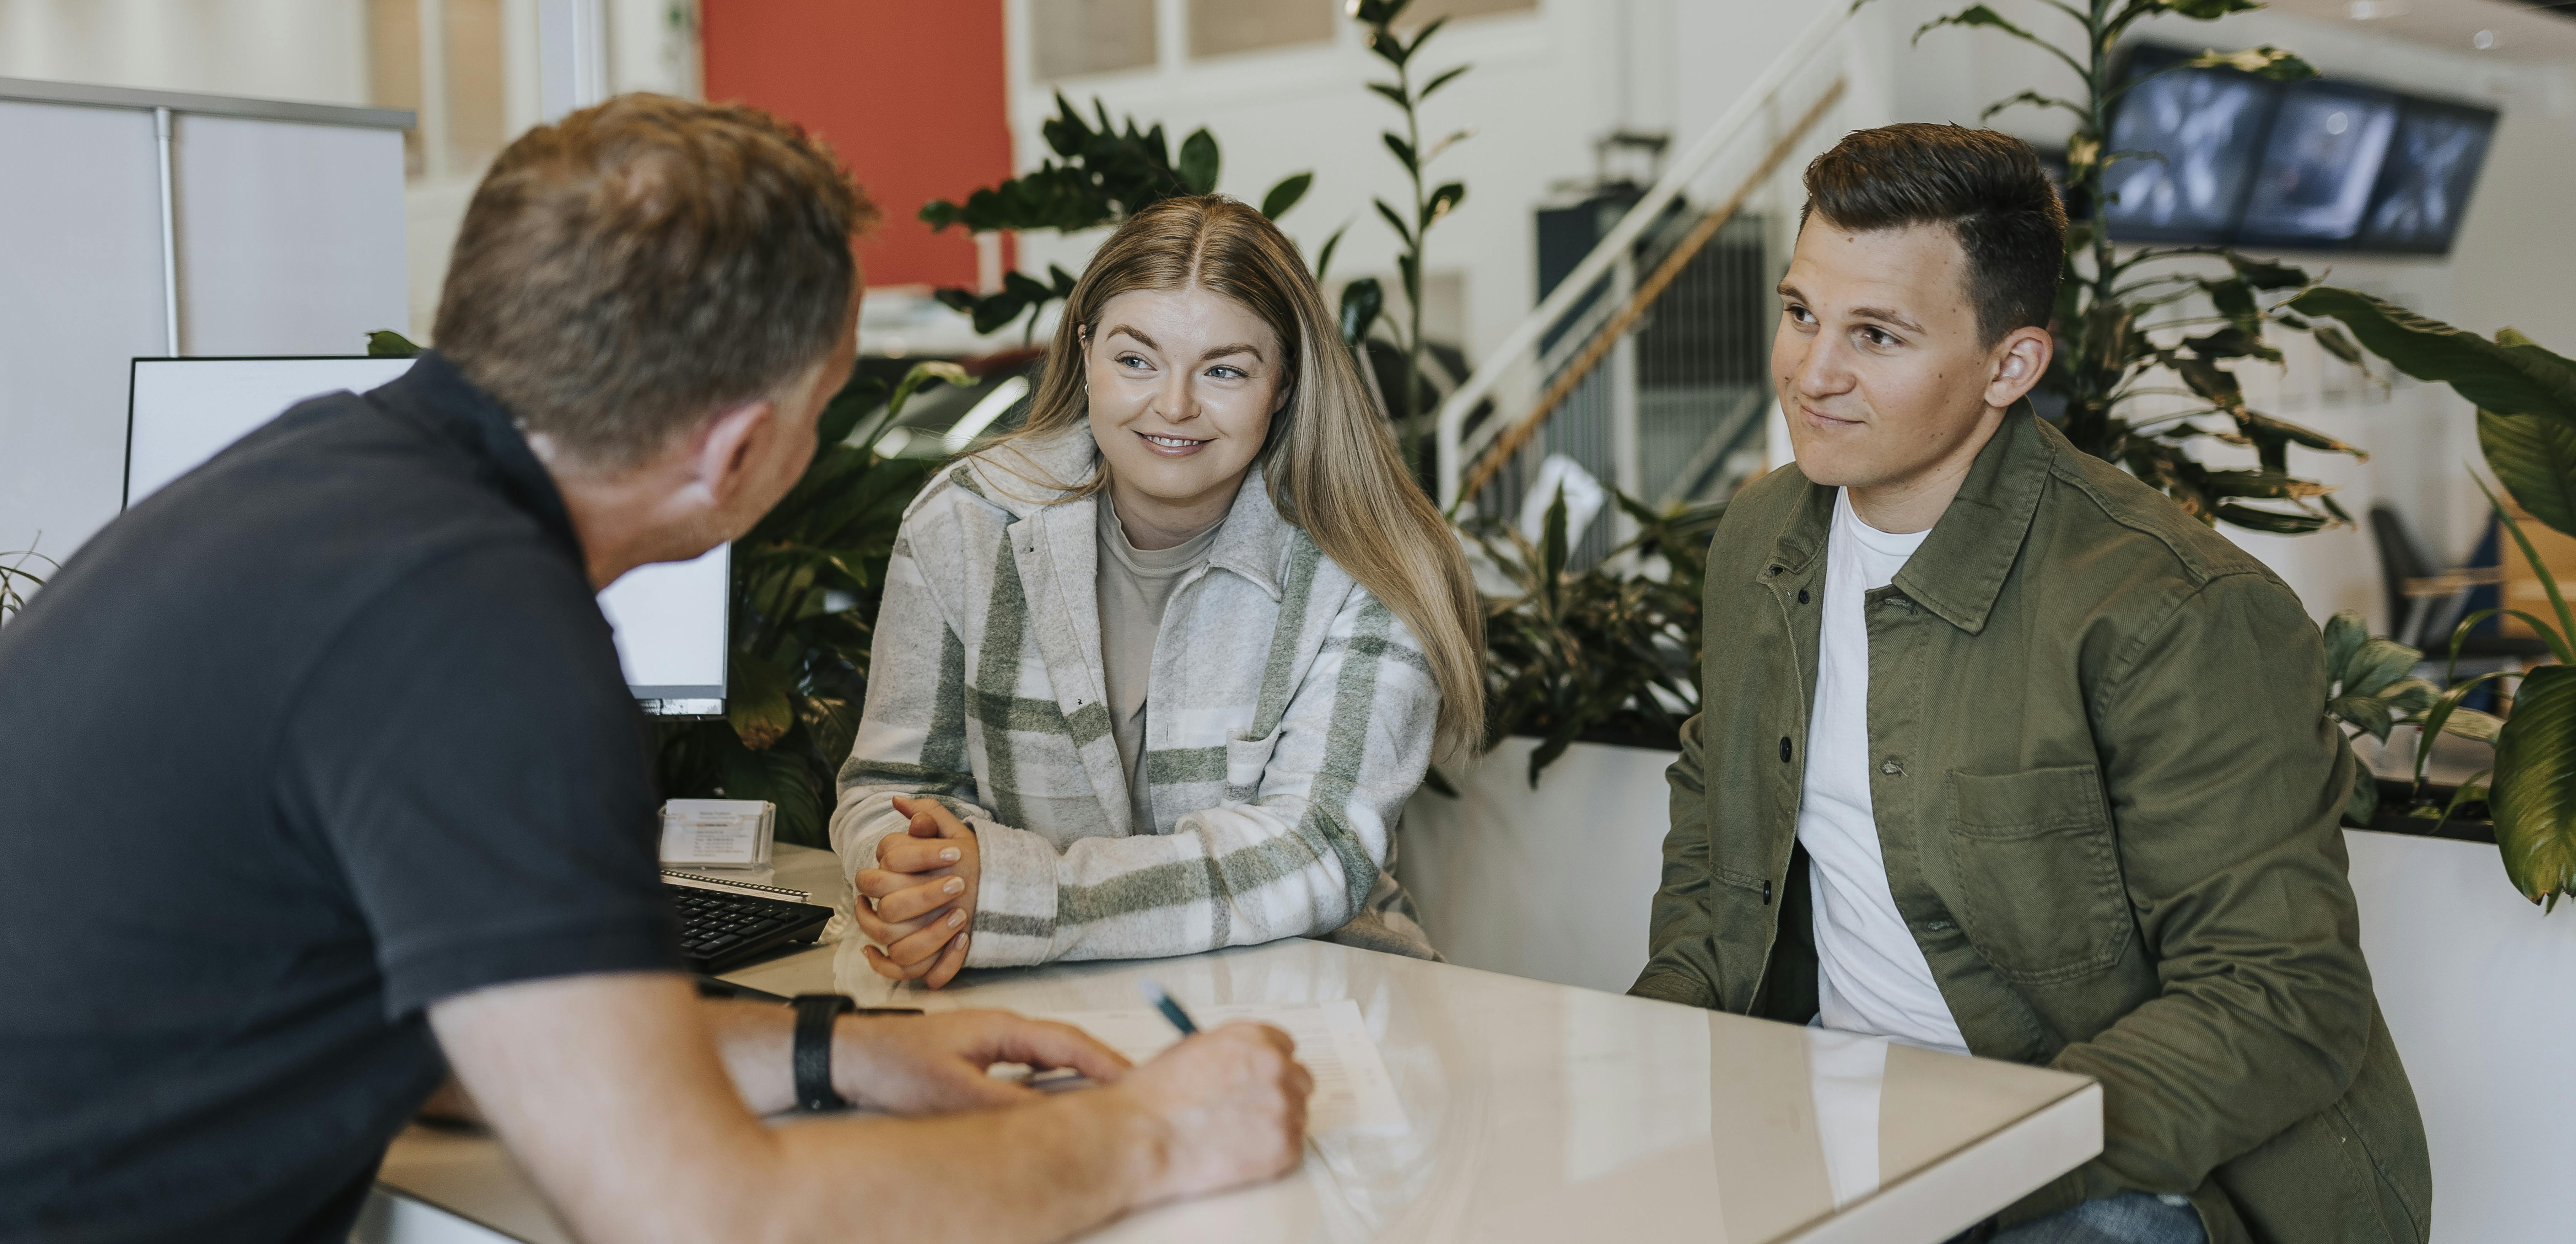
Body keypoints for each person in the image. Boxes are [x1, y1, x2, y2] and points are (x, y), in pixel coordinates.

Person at [0, 96, 1311, 1244]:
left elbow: (475, 1035)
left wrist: (838, 1053)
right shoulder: (474, 634)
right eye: (827, 402)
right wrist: (1157, 1138)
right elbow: (701, 1215)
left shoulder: (325, 481)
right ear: (737, 449)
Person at [1630, 124, 2431, 1244]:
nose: (1812, 372)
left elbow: (2278, 998)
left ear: (2010, 365)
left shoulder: (2174, 609)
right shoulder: (1762, 536)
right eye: (1802, 312)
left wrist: (1961, 1160)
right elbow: (1718, 852)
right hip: (1854, 1124)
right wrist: (1642, 1068)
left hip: (2135, 1169)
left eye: (1877, 334)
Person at [834, 195, 1483, 987]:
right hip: (1026, 994)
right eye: (1135, 359)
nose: (1173, 406)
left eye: (1223, 370)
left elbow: (1319, 849)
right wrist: (916, 883)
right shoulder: (967, 521)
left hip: (1316, 1004)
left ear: (1282, 384)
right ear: (1084, 352)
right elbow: (894, 788)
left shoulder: (1371, 560)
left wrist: (1014, 898)